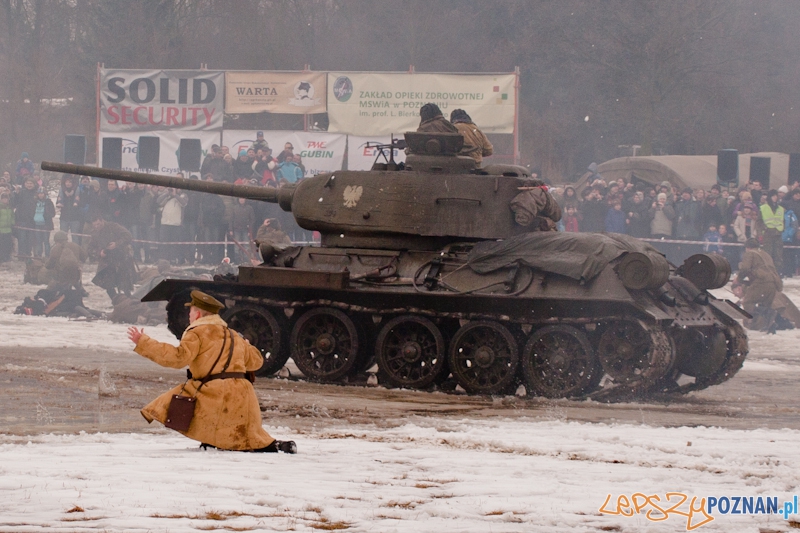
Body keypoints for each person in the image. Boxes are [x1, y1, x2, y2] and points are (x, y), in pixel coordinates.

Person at [126, 290, 297, 453]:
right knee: (251, 440)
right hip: (244, 397)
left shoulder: (197, 332)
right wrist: (246, 344)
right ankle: (277, 447)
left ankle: (211, 441)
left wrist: (144, 342)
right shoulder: (233, 335)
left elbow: (177, 358)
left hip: (214, 393)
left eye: (191, 312)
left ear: (199, 314)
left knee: (170, 401)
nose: (189, 316)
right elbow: (256, 362)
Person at [734, 238, 783, 332]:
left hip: (761, 281)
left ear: (747, 247)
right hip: (773, 282)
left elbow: (745, 268)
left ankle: (758, 320)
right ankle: (768, 324)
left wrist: (739, 279)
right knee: (764, 303)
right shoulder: (765, 254)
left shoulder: (750, 253)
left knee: (747, 302)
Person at [87, 214, 136, 301]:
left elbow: (128, 236)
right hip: (106, 261)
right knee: (107, 283)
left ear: (102, 220)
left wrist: (116, 244)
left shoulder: (113, 227)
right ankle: (116, 302)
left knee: (124, 285)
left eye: (98, 224)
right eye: (95, 225)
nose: (97, 226)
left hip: (121, 258)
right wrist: (99, 253)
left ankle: (129, 303)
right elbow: (90, 248)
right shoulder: (94, 233)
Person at [760, 189, 785, 274]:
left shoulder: (781, 209)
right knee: (767, 255)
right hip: (768, 234)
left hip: (778, 235)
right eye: (773, 196)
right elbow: (759, 221)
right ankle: (767, 274)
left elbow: (783, 221)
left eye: (776, 196)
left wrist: (782, 229)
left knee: (778, 256)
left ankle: (777, 274)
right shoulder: (763, 208)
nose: (775, 197)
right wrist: (763, 230)